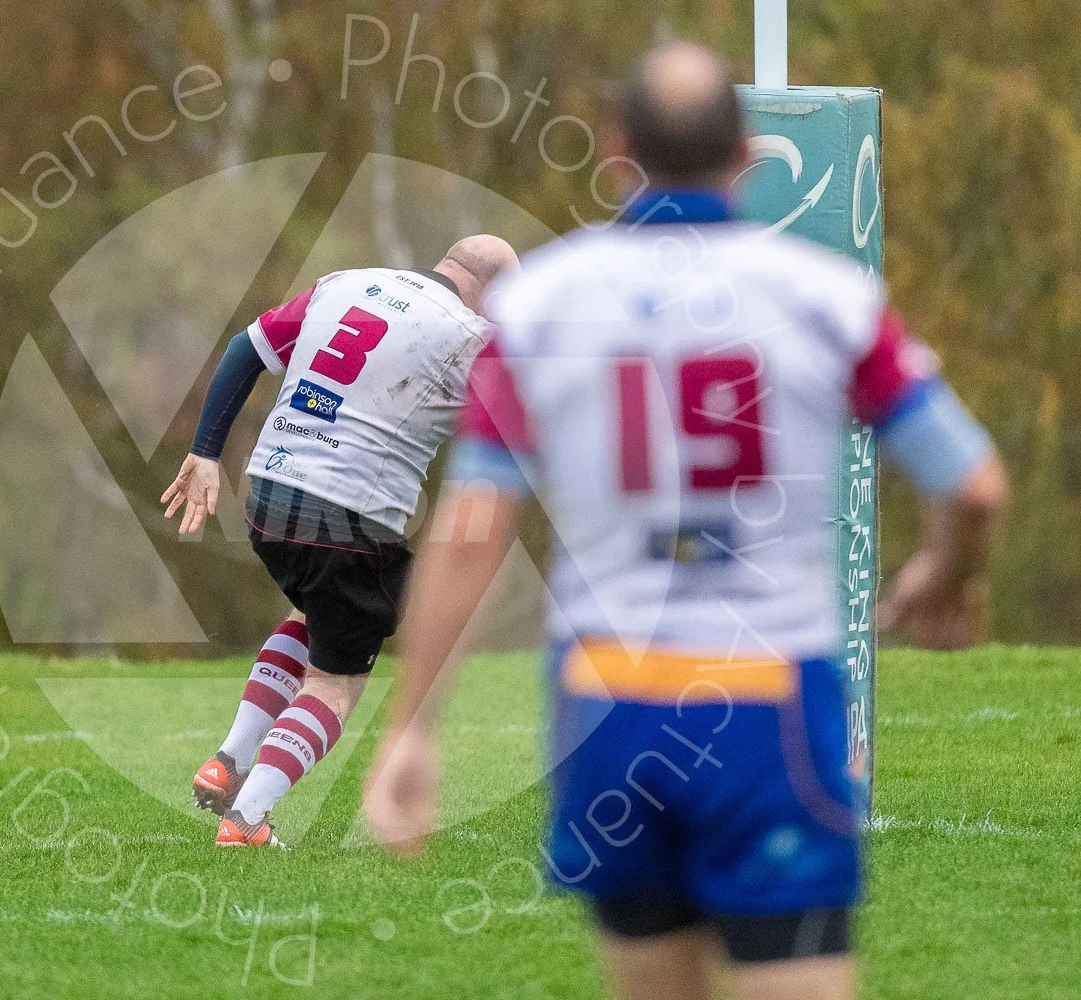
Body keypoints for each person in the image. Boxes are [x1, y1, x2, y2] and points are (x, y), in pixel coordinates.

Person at [362, 42, 1006, 1000]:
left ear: (619, 151)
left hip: (609, 702)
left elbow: (470, 527)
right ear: (747, 154)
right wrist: (945, 576)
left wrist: (413, 725)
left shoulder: (537, 303)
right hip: (770, 700)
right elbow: (975, 485)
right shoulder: (826, 296)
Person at [162, 236, 521, 847]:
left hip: (270, 493)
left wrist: (204, 452)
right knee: (338, 681)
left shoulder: (344, 282)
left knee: (314, 614)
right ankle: (247, 819)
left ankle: (228, 760)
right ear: (488, 290)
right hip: (351, 518)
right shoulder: (471, 335)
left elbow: (243, 349)